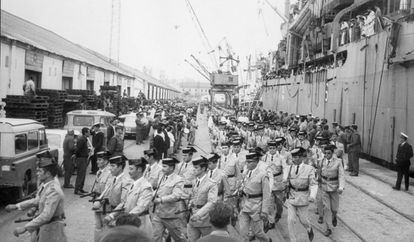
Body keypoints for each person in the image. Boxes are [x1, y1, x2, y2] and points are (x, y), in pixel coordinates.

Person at [6, 157, 67, 241]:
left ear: (48, 174)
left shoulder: (54, 191)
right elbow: (37, 200)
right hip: (45, 227)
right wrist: (17, 206)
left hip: (52, 230)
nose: (37, 173)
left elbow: (46, 216)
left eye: (40, 171)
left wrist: (25, 228)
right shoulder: (45, 185)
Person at [109, 157, 153, 238]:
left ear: (139, 169)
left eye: (131, 169)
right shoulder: (133, 184)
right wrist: (112, 215)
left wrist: (123, 220)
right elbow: (124, 202)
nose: (129, 172)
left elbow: (140, 208)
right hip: (130, 223)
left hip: (140, 224)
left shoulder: (146, 187)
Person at [93, 155, 132, 239]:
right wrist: (100, 200)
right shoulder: (113, 178)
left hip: (118, 215)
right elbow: (107, 192)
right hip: (110, 211)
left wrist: (112, 215)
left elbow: (124, 202)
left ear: (120, 167)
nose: (110, 168)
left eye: (113, 166)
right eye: (110, 165)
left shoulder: (126, 181)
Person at [284, 147, 317, 242]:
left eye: (296, 157)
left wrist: (312, 196)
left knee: (304, 220)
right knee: (290, 220)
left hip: (303, 197)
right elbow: (285, 179)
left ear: (302, 157)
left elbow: (314, 184)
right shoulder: (288, 168)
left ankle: (309, 228)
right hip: (291, 196)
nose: (294, 159)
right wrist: (284, 182)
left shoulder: (309, 169)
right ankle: (293, 240)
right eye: (293, 157)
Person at [238, 152, 271, 242]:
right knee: (243, 231)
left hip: (256, 206)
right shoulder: (246, 173)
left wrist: (264, 211)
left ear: (256, 162)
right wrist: (240, 191)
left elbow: (266, 194)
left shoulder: (262, 175)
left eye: (249, 162)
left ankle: (267, 240)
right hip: (245, 205)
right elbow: (243, 186)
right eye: (246, 162)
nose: (247, 164)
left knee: (258, 232)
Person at [152, 158, 186, 242]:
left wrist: (161, 199)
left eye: (165, 166)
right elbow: (158, 189)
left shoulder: (178, 179)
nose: (162, 168)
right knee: (156, 237)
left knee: (179, 238)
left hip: (171, 215)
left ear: (171, 168)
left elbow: (176, 195)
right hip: (158, 214)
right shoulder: (161, 176)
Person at [185, 157, 218, 242]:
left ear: (203, 168)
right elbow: (194, 195)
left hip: (205, 218)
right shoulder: (195, 181)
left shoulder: (211, 184)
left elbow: (212, 202)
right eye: (193, 167)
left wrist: (198, 214)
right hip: (192, 217)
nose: (193, 170)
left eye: (196, 168)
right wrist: (190, 203)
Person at [319, 144, 345, 236]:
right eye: (325, 153)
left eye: (329, 153)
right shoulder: (321, 161)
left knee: (334, 209)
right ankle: (328, 228)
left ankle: (334, 216)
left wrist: (341, 187)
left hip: (334, 188)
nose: (326, 155)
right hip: (324, 187)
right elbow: (319, 173)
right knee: (326, 208)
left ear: (332, 153)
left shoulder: (338, 162)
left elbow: (341, 175)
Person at [73, 127, 90, 195]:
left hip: (84, 158)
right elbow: (78, 149)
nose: (89, 133)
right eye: (88, 132)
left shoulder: (84, 139)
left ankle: (81, 188)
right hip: (81, 159)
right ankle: (77, 190)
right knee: (80, 174)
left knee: (83, 175)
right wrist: (76, 156)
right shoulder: (81, 139)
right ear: (85, 132)